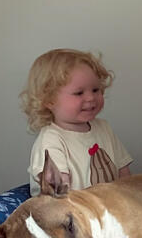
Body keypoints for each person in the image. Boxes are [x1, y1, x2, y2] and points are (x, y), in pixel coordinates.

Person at [21, 48, 132, 196]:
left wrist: (131, 198)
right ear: (49, 100)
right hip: (71, 212)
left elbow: (124, 173)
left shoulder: (103, 128)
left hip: (108, 207)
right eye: (79, 93)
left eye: (95, 90)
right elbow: (58, 195)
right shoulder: (51, 140)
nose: (91, 98)